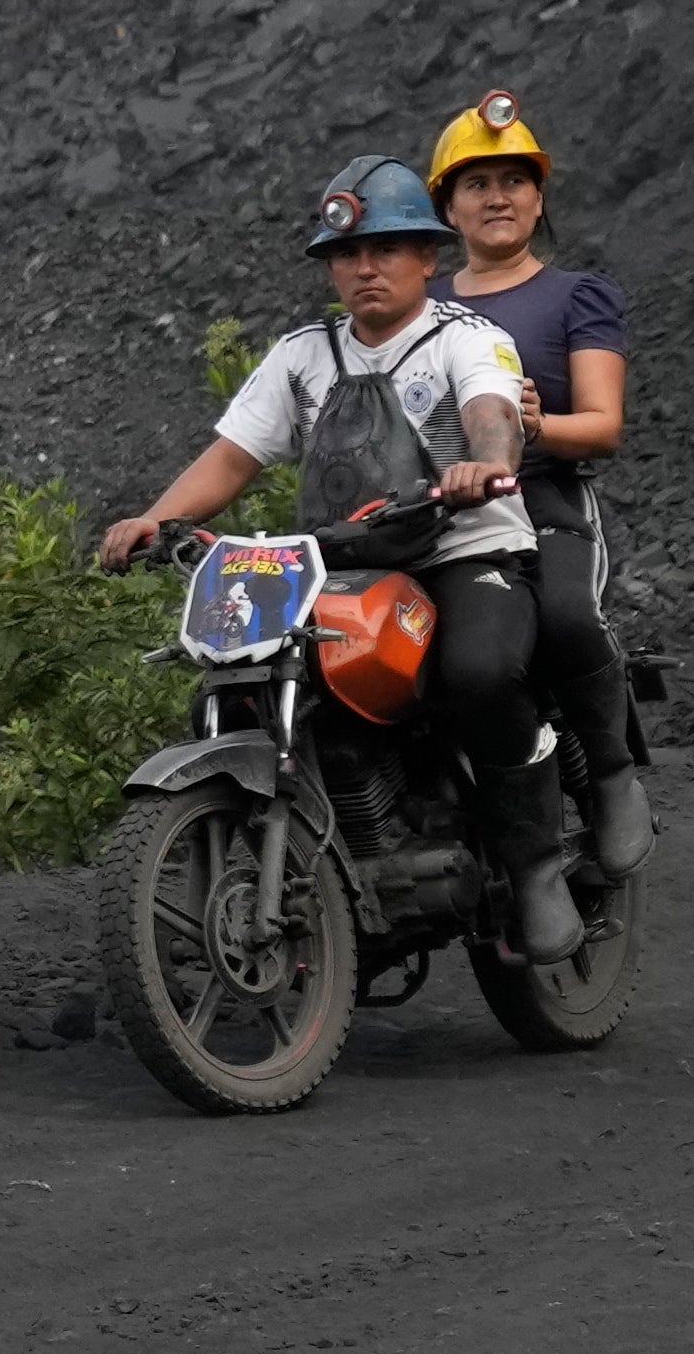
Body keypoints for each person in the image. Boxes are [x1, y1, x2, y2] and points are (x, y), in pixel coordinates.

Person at [95, 159, 587, 962]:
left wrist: (481, 464)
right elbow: (230, 456)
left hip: (465, 549)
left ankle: (534, 868)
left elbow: (491, 411)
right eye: (348, 252)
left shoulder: (468, 338)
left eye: (387, 248)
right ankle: (322, 864)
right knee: (241, 688)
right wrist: (157, 519)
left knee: (478, 671)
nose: (366, 266)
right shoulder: (302, 355)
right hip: (337, 563)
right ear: (330, 264)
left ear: (426, 256)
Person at [424, 92, 651, 877]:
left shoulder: (574, 295)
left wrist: (535, 423)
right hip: (436, 516)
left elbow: (603, 424)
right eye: (476, 183)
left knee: (558, 615)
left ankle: (612, 775)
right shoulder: (420, 309)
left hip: (545, 498)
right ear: (446, 208)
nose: (497, 196)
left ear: (538, 196)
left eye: (513, 180)